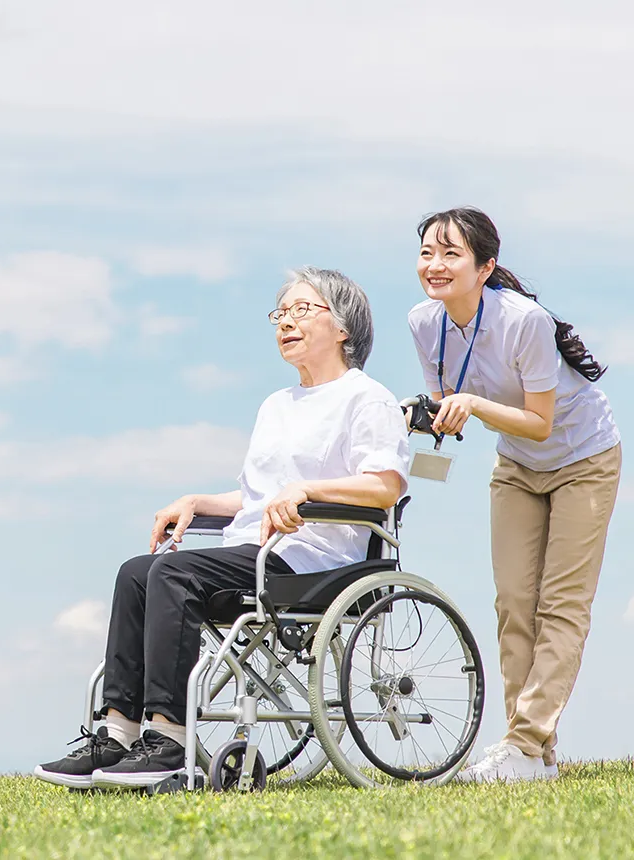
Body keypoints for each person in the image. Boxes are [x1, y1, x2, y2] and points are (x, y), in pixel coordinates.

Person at [35, 266, 410, 790]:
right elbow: (257, 496)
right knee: (137, 572)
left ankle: (168, 738)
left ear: (344, 326)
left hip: (315, 558)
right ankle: (116, 732)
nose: (287, 322)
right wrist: (197, 501)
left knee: (172, 574)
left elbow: (385, 485)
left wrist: (309, 491)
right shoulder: (276, 405)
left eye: (303, 310)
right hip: (254, 550)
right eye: (281, 313)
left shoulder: (366, 398)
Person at [407, 207, 620, 783]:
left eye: (451, 253)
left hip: (584, 458)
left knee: (562, 605)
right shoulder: (423, 323)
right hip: (518, 467)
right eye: (428, 252)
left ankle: (523, 744)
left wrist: (472, 406)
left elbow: (539, 421)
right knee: (513, 605)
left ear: (485, 266)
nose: (436, 264)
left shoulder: (524, 321)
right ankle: (533, 757)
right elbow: (448, 411)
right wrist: (428, 417)